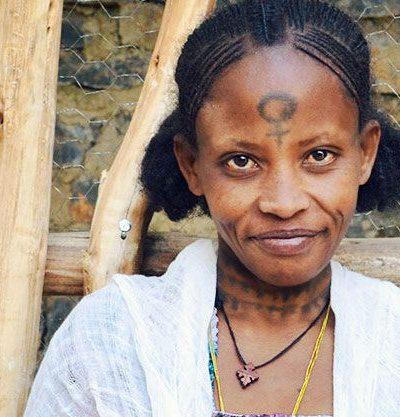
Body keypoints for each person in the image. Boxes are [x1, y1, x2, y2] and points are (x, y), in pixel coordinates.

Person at [24, 0, 400, 416]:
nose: (284, 203)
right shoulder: (109, 346)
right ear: (192, 165)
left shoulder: (392, 344)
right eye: (241, 161)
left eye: (319, 155)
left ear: (365, 153)